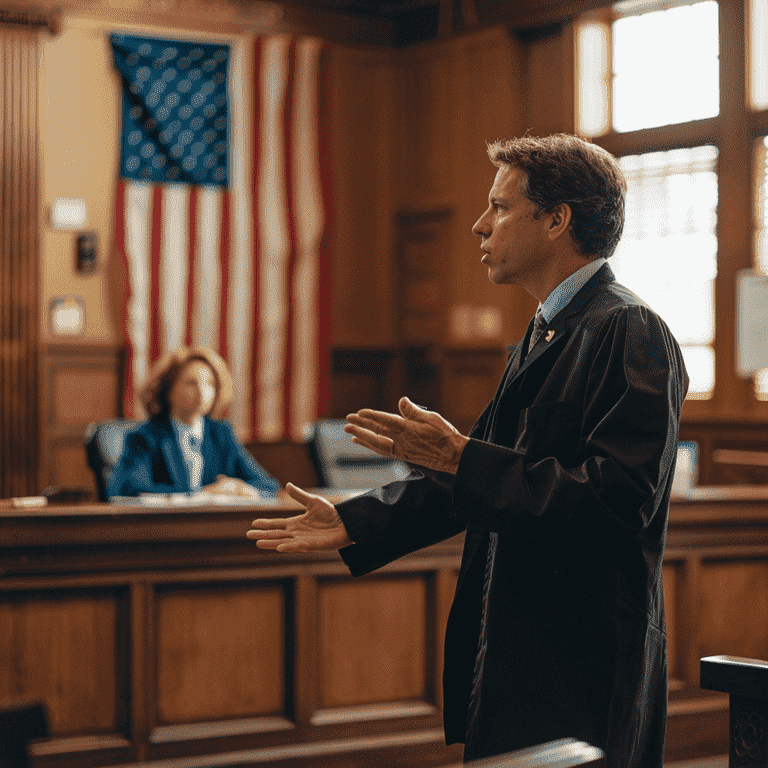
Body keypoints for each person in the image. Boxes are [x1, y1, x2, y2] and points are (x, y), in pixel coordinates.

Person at [247, 134, 688, 767]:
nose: (480, 227)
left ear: (557, 220)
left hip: (580, 660)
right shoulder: (546, 331)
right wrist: (354, 519)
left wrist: (461, 458)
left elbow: (620, 501)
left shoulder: (629, 328)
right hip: (520, 649)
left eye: (501, 208)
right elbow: (478, 476)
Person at [108, 346, 279, 498]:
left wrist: (240, 488)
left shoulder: (220, 434)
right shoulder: (145, 437)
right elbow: (129, 488)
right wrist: (200, 495)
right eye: (191, 383)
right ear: (167, 390)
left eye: (209, 384)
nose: (202, 392)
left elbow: (269, 486)